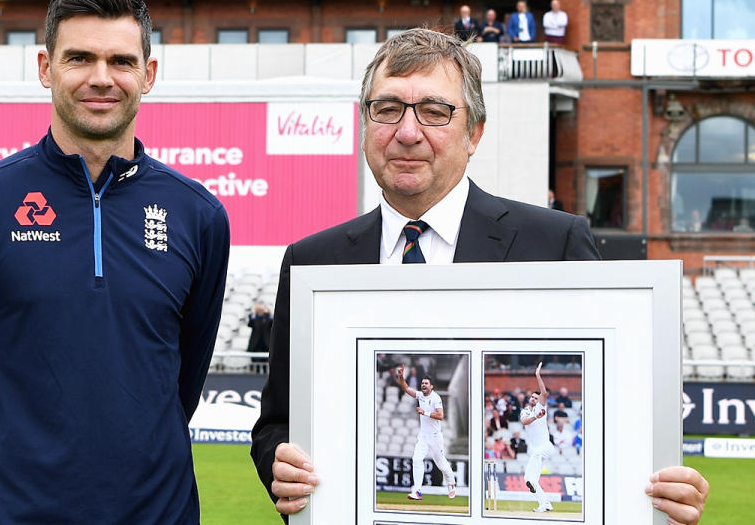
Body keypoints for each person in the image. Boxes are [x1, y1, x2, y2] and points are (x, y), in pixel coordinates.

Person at [249, 27, 709, 524]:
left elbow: (613, 414)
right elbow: (277, 421)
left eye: (434, 111)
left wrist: (660, 487)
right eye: (387, 109)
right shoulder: (312, 262)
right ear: (365, 125)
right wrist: (280, 463)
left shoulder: (556, 244)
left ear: (475, 133)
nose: (407, 131)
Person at [0, 0, 230, 523]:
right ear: (45, 67)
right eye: (80, 57)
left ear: (148, 74)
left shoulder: (200, 216)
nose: (101, 77)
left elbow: (181, 383)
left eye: (121, 61)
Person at [393, 364, 456, 500]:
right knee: (416, 459)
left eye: (426, 383)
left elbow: (440, 416)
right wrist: (401, 377)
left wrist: (425, 412)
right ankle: (417, 491)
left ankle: (451, 484)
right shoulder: (420, 395)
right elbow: (405, 388)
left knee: (441, 464)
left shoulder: (436, 398)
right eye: (422, 383)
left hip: (435, 437)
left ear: (431, 386)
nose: (423, 385)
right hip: (423, 436)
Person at [521, 362, 555, 512]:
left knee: (532, 477)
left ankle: (545, 504)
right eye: (533, 397)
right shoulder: (526, 411)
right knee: (528, 479)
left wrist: (537, 375)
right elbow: (524, 421)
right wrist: (535, 417)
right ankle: (545, 503)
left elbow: (544, 393)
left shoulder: (542, 407)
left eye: (537, 397)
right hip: (536, 450)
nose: (535, 399)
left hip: (545, 447)